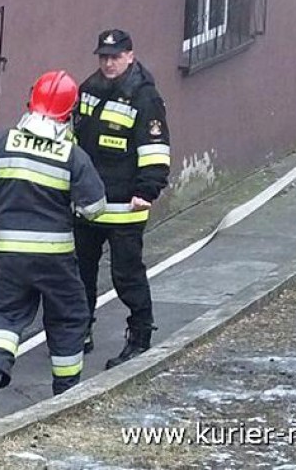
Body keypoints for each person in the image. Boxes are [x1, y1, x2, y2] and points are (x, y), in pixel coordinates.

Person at [0, 70, 106, 419]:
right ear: (68, 112)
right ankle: (66, 392)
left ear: (32, 102)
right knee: (70, 316)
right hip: (55, 257)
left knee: (5, 315)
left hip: (10, 254)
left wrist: (8, 200)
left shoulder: (2, 142)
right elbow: (94, 207)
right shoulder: (72, 155)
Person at [72, 29, 171, 370]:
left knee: (126, 274)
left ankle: (140, 335)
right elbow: (75, 141)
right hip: (89, 203)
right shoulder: (88, 90)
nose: (108, 63)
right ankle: (79, 330)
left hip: (126, 206)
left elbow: (155, 149)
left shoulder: (145, 97)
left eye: (115, 57)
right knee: (80, 271)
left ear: (130, 56)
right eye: (103, 57)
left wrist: (147, 191)